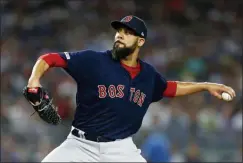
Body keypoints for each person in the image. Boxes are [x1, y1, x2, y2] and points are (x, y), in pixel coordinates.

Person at [26, 15, 236, 162]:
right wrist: (34, 80)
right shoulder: (93, 60)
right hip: (80, 145)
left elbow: (171, 88)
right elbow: (50, 59)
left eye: (128, 32)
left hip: (121, 150)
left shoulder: (148, 75)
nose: (119, 35)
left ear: (140, 41)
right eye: (119, 31)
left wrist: (206, 86)